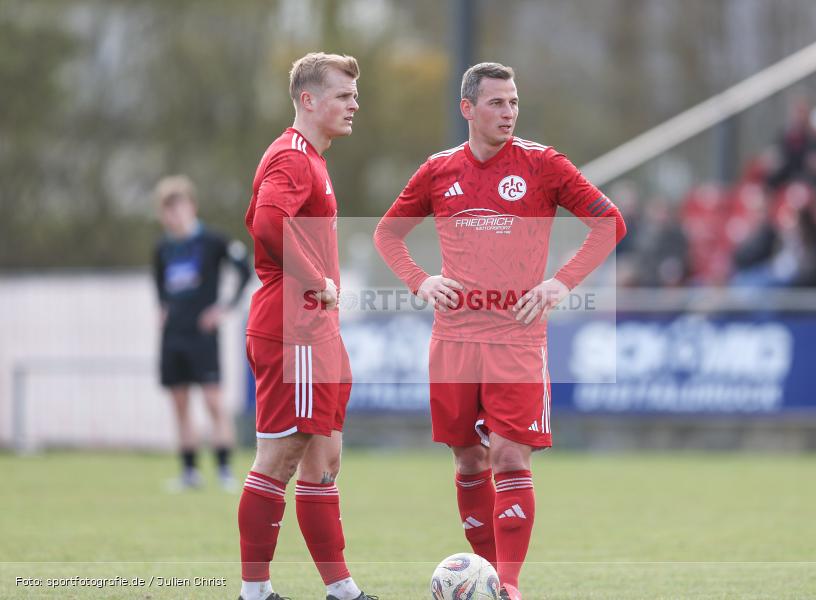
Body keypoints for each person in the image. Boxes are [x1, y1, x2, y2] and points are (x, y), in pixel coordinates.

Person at [374, 62, 626, 600]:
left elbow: (610, 223)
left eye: (513, 102)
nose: (509, 112)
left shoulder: (543, 165)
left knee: (510, 456)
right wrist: (420, 281)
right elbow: (387, 235)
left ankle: (507, 586)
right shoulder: (439, 171)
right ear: (467, 108)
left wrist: (560, 283)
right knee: (469, 458)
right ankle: (482, 579)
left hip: (517, 338)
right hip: (454, 339)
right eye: (496, 103)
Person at [237, 52, 376, 600]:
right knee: (282, 456)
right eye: (343, 95)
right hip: (292, 324)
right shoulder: (293, 157)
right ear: (308, 100)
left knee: (324, 460)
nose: (354, 104)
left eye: (354, 95)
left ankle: (341, 591)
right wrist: (316, 277)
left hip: (318, 329)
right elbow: (268, 224)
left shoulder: (313, 159)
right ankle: (255, 592)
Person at [153, 175, 251, 491]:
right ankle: (189, 473)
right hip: (173, 336)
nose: (174, 216)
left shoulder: (213, 242)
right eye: (168, 211)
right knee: (180, 404)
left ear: (191, 208)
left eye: (178, 209)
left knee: (213, 402)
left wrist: (224, 308)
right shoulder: (162, 249)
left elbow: (243, 270)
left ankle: (224, 471)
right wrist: (162, 310)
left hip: (203, 336)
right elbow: (160, 287)